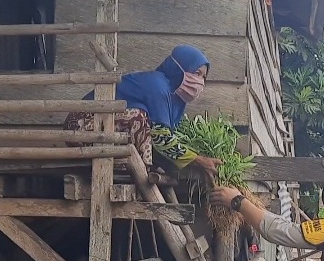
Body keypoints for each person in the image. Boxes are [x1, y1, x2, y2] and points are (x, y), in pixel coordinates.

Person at [63, 44, 221, 177]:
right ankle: (141, 171)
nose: (200, 82)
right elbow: (161, 138)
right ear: (178, 67)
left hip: (103, 130)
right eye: (196, 73)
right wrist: (199, 160)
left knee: (145, 122)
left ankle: (140, 167)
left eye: (203, 78)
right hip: (81, 125)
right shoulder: (158, 86)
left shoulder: (174, 99)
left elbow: (160, 137)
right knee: (139, 117)